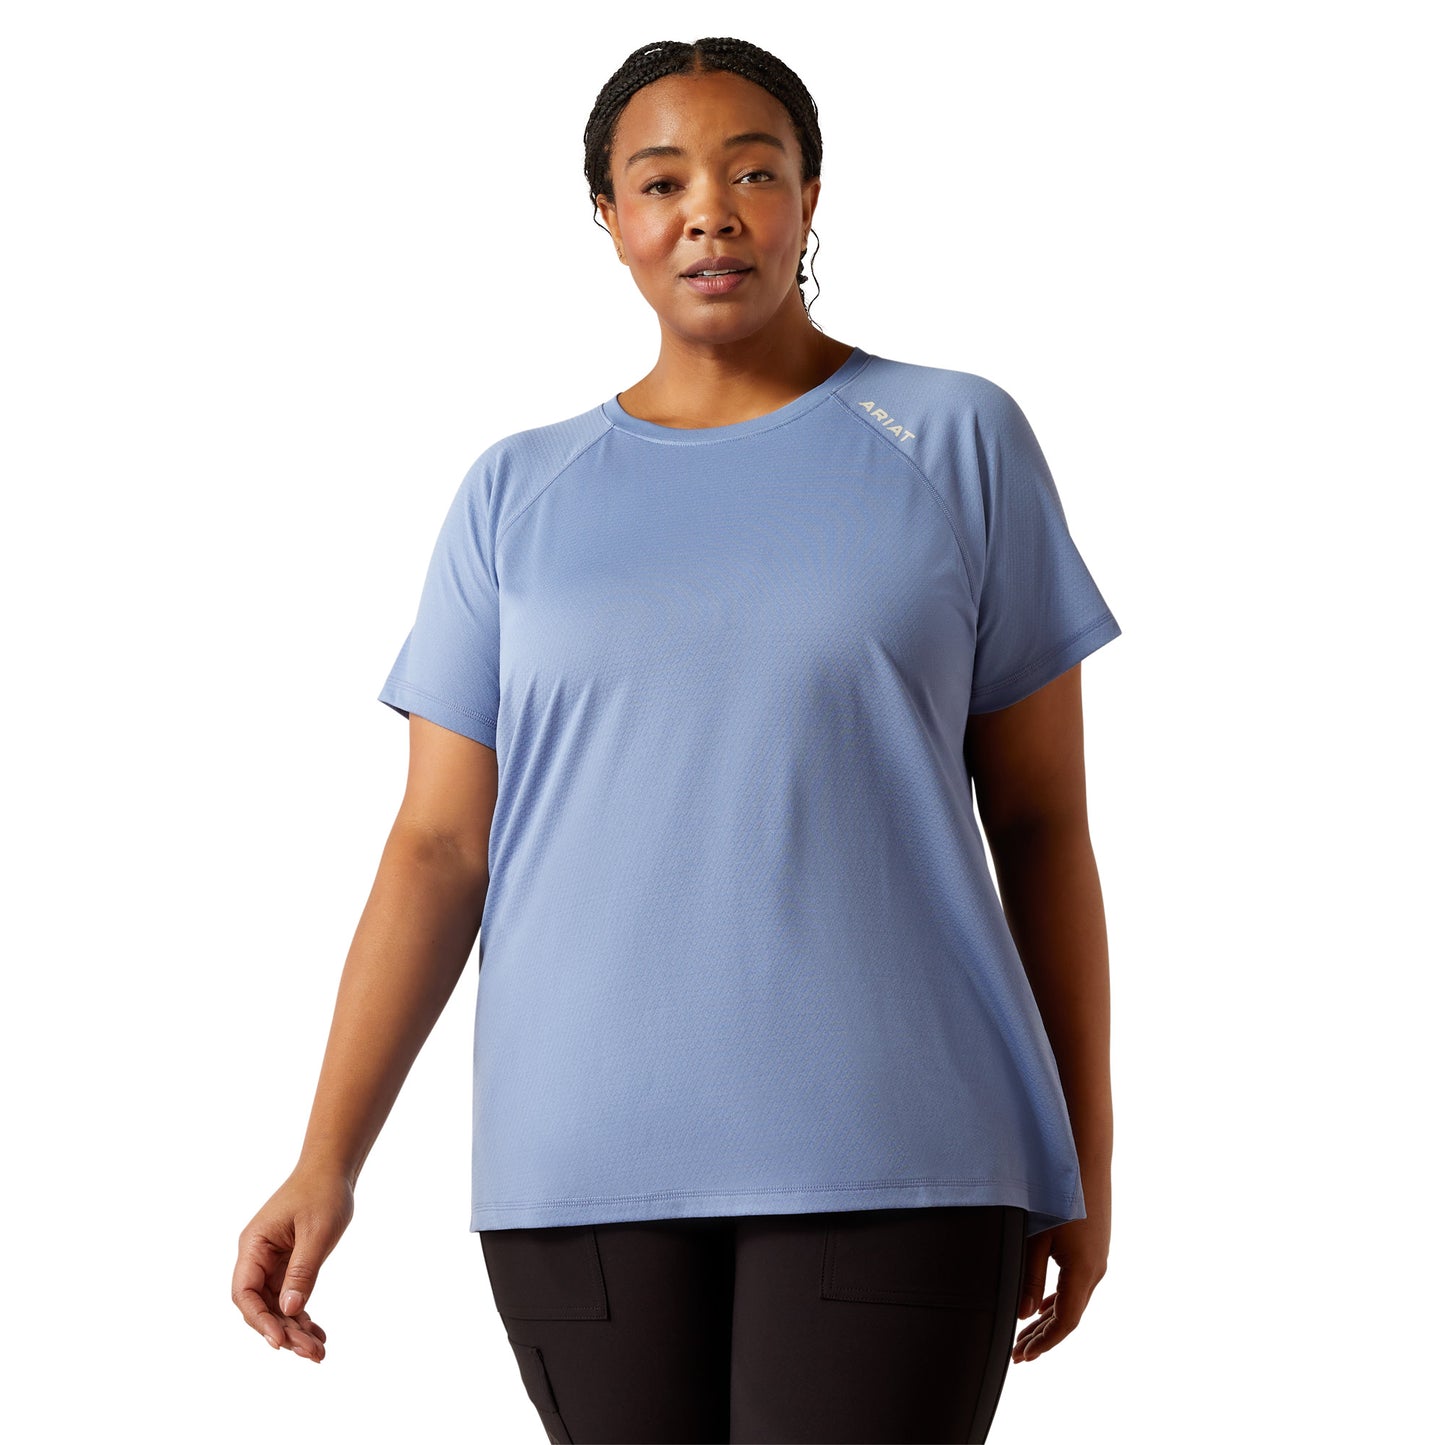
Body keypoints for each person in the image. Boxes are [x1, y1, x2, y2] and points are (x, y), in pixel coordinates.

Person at [232, 35, 1119, 1445]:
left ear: (810, 197)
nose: (711, 211)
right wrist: (325, 1158)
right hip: (575, 1166)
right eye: (661, 182)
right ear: (608, 216)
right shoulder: (515, 494)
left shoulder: (953, 438)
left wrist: (1083, 1152)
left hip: (900, 1147)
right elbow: (439, 845)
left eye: (752, 173)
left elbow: (1041, 824)